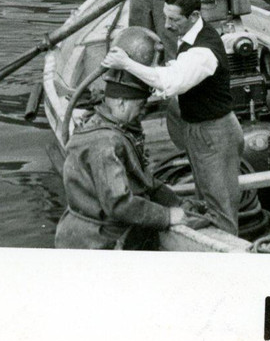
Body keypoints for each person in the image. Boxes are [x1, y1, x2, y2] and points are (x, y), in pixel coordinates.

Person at [103, 0, 244, 235]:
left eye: (173, 19)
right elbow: (179, 71)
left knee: (222, 213)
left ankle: (225, 255)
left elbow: (171, 82)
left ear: (194, 17)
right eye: (165, 16)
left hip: (216, 133)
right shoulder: (189, 38)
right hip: (198, 128)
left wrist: (127, 64)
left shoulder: (203, 51)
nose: (166, 25)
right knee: (205, 200)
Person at [54, 50, 186, 250]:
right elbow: (119, 204)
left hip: (81, 232)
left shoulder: (103, 126)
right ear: (121, 102)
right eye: (141, 105)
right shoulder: (106, 143)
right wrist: (166, 216)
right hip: (99, 241)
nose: (143, 112)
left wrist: (178, 203)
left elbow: (145, 182)